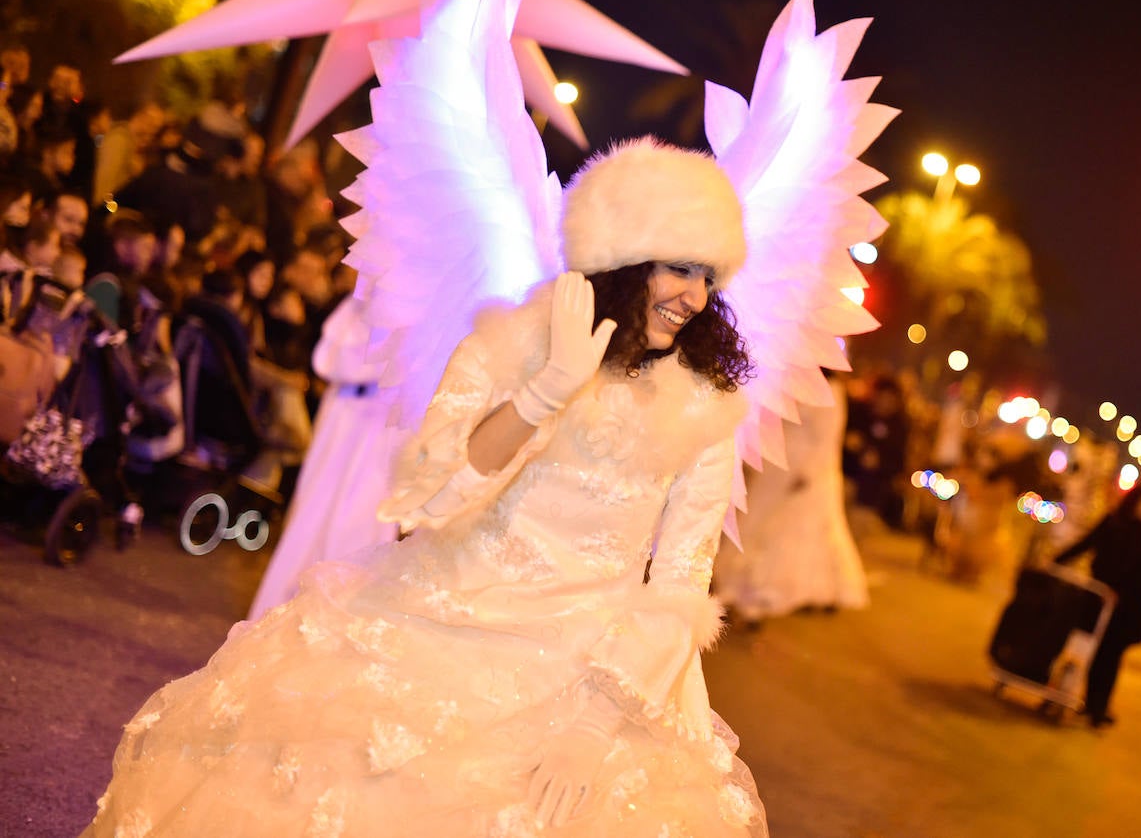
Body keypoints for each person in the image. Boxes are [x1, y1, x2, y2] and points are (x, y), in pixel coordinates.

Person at [81, 140, 769, 837]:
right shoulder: (507, 347)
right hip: (437, 621)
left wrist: (596, 722)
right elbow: (431, 501)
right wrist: (545, 392)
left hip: (595, 671)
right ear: (622, 256)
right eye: (680, 268)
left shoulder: (707, 406)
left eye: (710, 277)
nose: (696, 297)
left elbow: (682, 580)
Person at [246, 294, 401, 620]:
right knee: (313, 518)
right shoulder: (370, 297)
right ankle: (281, 617)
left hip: (386, 426)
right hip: (346, 417)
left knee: (361, 530)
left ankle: (332, 628)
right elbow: (332, 357)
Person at [714, 372, 869, 622]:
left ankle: (759, 597)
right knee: (755, 522)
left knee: (781, 533)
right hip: (778, 464)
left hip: (802, 470)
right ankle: (739, 590)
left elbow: (828, 437)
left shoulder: (831, 389)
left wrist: (810, 471)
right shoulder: (793, 379)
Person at [1054, 484, 1141, 727]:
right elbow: (1086, 543)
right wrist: (1055, 561)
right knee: (1087, 652)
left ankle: (1098, 707)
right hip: (1098, 600)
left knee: (1110, 658)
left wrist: (1127, 592)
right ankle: (1079, 699)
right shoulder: (1113, 523)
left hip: (1125, 609)